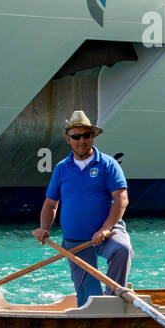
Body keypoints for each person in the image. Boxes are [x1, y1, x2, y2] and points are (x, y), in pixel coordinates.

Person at [33, 110, 131, 306]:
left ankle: (114, 298)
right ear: (68, 139)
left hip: (108, 234)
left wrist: (105, 229)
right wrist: (44, 228)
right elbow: (51, 204)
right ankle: (92, 312)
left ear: (92, 136)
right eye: (76, 136)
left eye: (86, 135)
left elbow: (122, 199)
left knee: (122, 249)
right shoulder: (61, 168)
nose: (82, 141)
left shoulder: (108, 164)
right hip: (75, 241)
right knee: (88, 296)